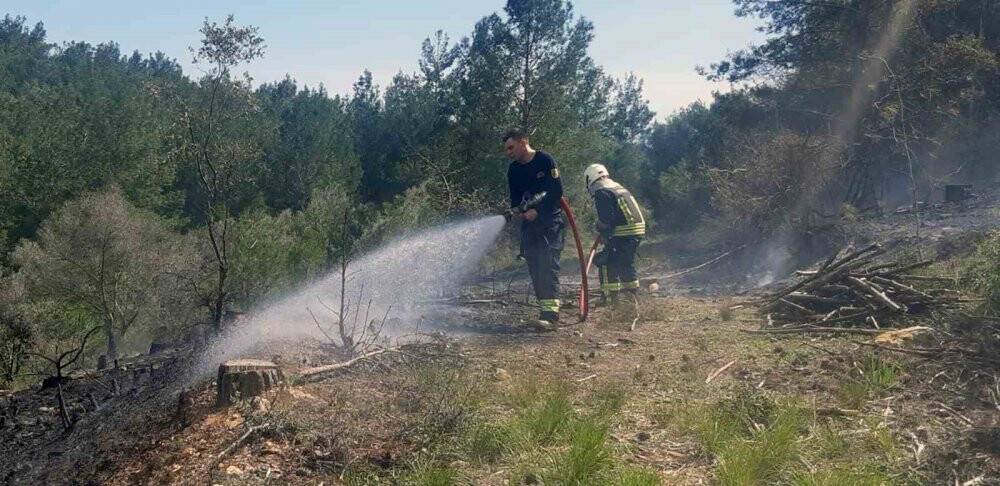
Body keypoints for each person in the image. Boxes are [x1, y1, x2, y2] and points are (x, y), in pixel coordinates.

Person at [504, 129, 564, 327]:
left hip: (549, 222)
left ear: (523, 142)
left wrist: (538, 211)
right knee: (535, 266)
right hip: (530, 226)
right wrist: (518, 211)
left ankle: (551, 317)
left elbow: (556, 191)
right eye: (506, 150)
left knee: (548, 263)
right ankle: (545, 311)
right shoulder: (513, 170)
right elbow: (515, 199)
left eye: (511, 147)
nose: (509, 153)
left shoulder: (545, 160)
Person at [584, 163, 645, 303]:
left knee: (605, 261)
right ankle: (633, 296)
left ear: (589, 179)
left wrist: (600, 227)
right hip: (635, 231)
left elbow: (606, 219)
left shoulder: (602, 192)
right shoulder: (617, 187)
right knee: (625, 263)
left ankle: (610, 298)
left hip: (624, 232)